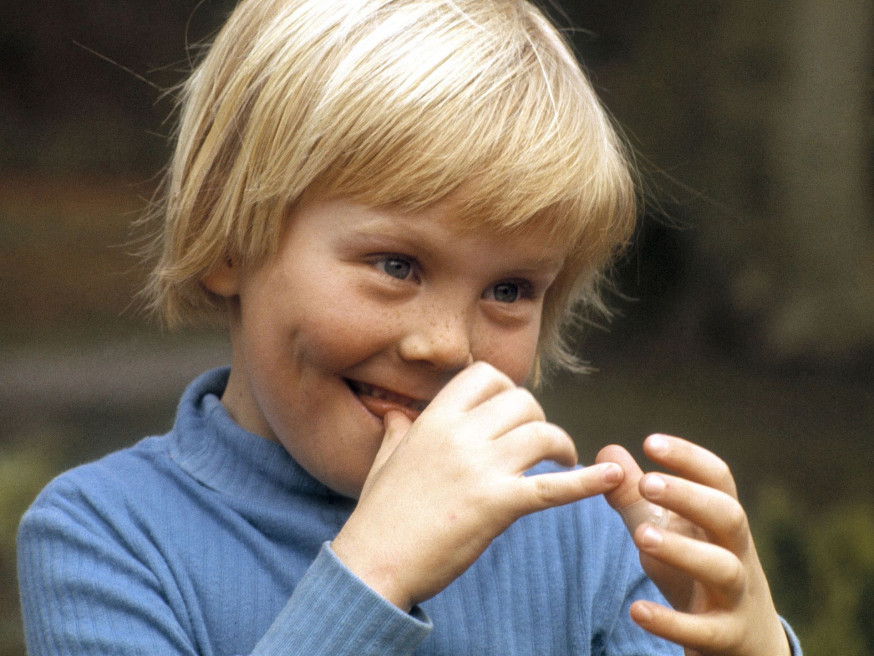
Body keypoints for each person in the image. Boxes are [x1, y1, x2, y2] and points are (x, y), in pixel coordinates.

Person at [17, 1, 802, 654]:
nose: (447, 346)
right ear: (230, 241)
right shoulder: (103, 537)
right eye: (397, 265)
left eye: (509, 287)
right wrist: (374, 572)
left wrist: (751, 640)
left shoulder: (578, 539)